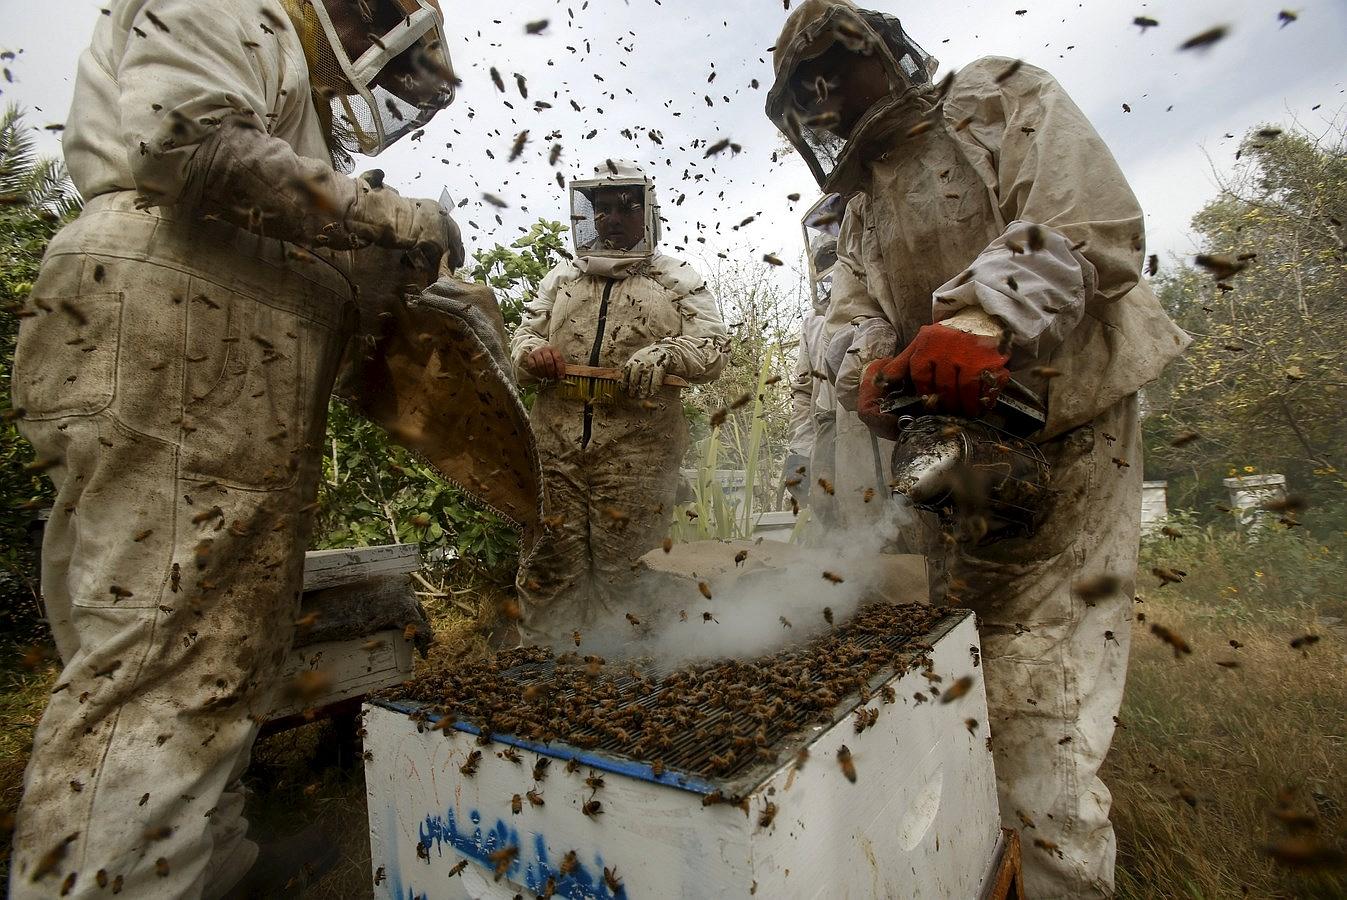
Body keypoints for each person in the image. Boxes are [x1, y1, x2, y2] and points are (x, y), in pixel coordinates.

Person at [8, 0, 539, 896]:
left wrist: (422, 294)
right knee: (162, 660)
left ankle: (201, 866)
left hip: (216, 360)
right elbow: (191, 149)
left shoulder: (291, 100)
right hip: (178, 335)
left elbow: (296, 234)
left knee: (217, 650)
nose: (371, 73)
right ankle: (125, 878)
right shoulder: (232, 7)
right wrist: (391, 219)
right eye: (380, 48)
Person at [766, 2, 1190, 897]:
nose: (825, 95)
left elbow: (1089, 224)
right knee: (960, 684)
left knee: (1039, 697)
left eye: (836, 68)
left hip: (1066, 437)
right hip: (950, 462)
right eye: (805, 85)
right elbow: (847, 319)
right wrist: (872, 368)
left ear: (887, 53)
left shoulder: (998, 97)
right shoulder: (859, 204)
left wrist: (979, 317)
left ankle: (1054, 871)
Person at [511, 161, 729, 643]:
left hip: (639, 449)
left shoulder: (675, 278)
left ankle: (631, 682)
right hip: (555, 443)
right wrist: (531, 352)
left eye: (624, 208)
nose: (611, 219)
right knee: (549, 566)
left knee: (632, 570)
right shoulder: (561, 278)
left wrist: (669, 351)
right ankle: (547, 677)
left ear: (646, 213)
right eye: (602, 209)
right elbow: (523, 335)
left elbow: (715, 346)